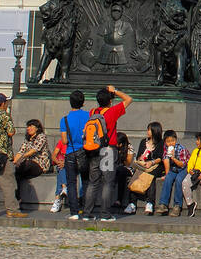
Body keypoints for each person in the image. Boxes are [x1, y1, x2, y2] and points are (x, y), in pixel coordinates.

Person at [84, 85, 131, 221]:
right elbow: (128, 99)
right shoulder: (112, 111)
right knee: (107, 182)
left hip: (93, 149)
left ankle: (87, 213)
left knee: (93, 182)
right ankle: (105, 214)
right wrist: (115, 91)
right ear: (110, 100)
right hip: (108, 150)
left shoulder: (93, 112)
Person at [0, 93, 27, 218]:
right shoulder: (5, 116)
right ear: (2, 104)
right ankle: (12, 209)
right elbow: (11, 132)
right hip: (2, 154)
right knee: (8, 183)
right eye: (6, 102)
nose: (7, 104)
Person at [55, 90, 89, 218]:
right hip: (85, 152)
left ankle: (74, 211)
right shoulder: (88, 116)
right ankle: (86, 210)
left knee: (71, 182)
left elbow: (64, 140)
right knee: (86, 181)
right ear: (83, 102)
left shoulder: (65, 119)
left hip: (70, 152)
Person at [12, 119, 52, 202]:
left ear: (37, 128)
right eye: (27, 126)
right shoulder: (27, 139)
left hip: (40, 164)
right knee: (17, 172)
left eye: (30, 126)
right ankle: (17, 195)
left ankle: (17, 194)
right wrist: (14, 162)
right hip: (28, 164)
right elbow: (21, 151)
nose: (28, 128)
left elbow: (34, 150)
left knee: (26, 165)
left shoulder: (41, 136)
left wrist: (21, 158)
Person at [132, 122, 166, 215]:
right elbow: (139, 155)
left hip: (156, 166)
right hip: (143, 165)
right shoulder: (143, 142)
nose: (147, 132)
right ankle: (132, 202)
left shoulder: (161, 143)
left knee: (150, 176)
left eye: (149, 130)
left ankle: (150, 203)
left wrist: (151, 162)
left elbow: (161, 157)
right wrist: (141, 160)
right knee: (135, 174)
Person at [156, 131, 190, 215]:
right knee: (168, 179)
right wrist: (167, 175)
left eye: (172, 141)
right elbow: (166, 162)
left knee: (179, 180)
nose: (171, 143)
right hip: (174, 168)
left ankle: (177, 205)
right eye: (168, 141)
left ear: (176, 140)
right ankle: (163, 204)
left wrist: (174, 158)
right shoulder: (166, 150)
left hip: (183, 168)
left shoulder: (181, 149)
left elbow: (182, 164)